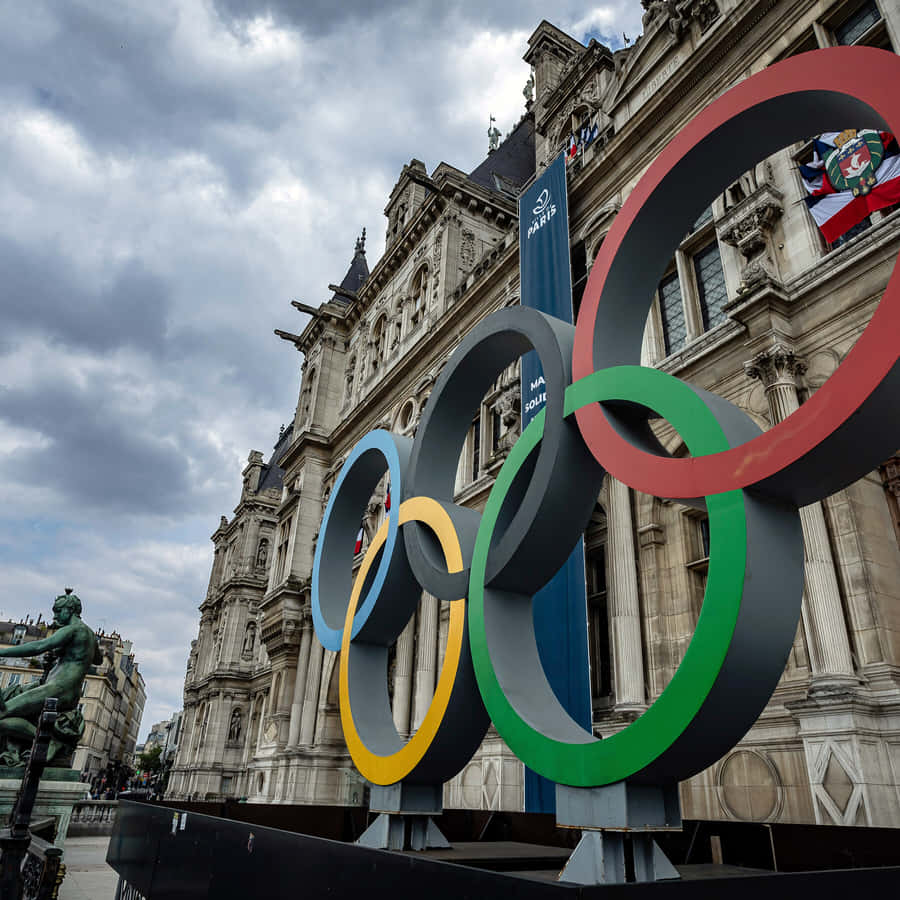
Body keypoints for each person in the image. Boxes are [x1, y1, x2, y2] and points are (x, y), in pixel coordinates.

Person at [0, 590, 97, 737]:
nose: (55, 616)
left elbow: (39, 646)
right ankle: (43, 740)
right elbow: (98, 660)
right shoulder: (90, 635)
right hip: (71, 691)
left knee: (3, 712)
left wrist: (2, 652)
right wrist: (69, 651)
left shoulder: (73, 629)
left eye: (58, 611)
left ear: (70, 610)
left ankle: (47, 742)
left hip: (58, 688)